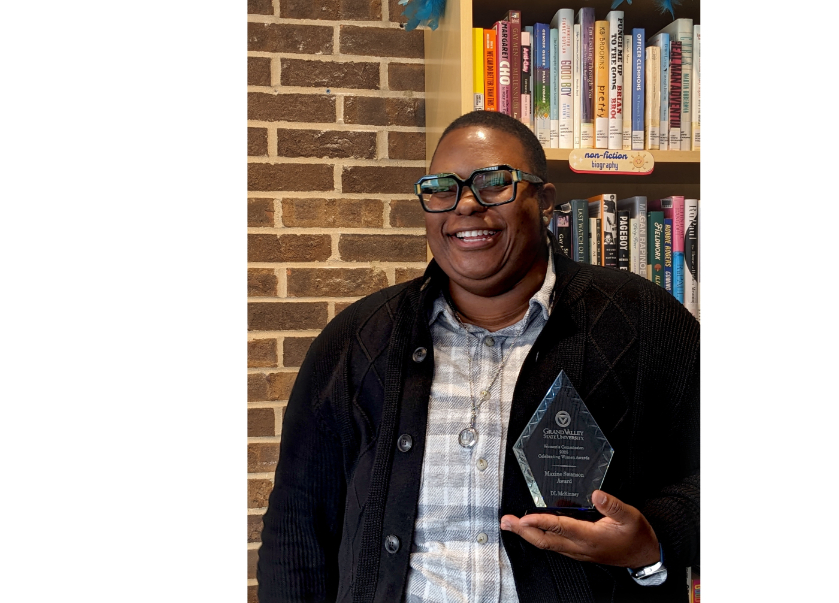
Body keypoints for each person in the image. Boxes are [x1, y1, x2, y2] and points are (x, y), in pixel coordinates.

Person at [257, 110, 699, 603]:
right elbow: (297, 523)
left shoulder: (644, 322)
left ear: (546, 201)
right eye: (442, 188)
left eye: (493, 183)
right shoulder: (354, 342)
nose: (466, 205)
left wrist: (656, 539)